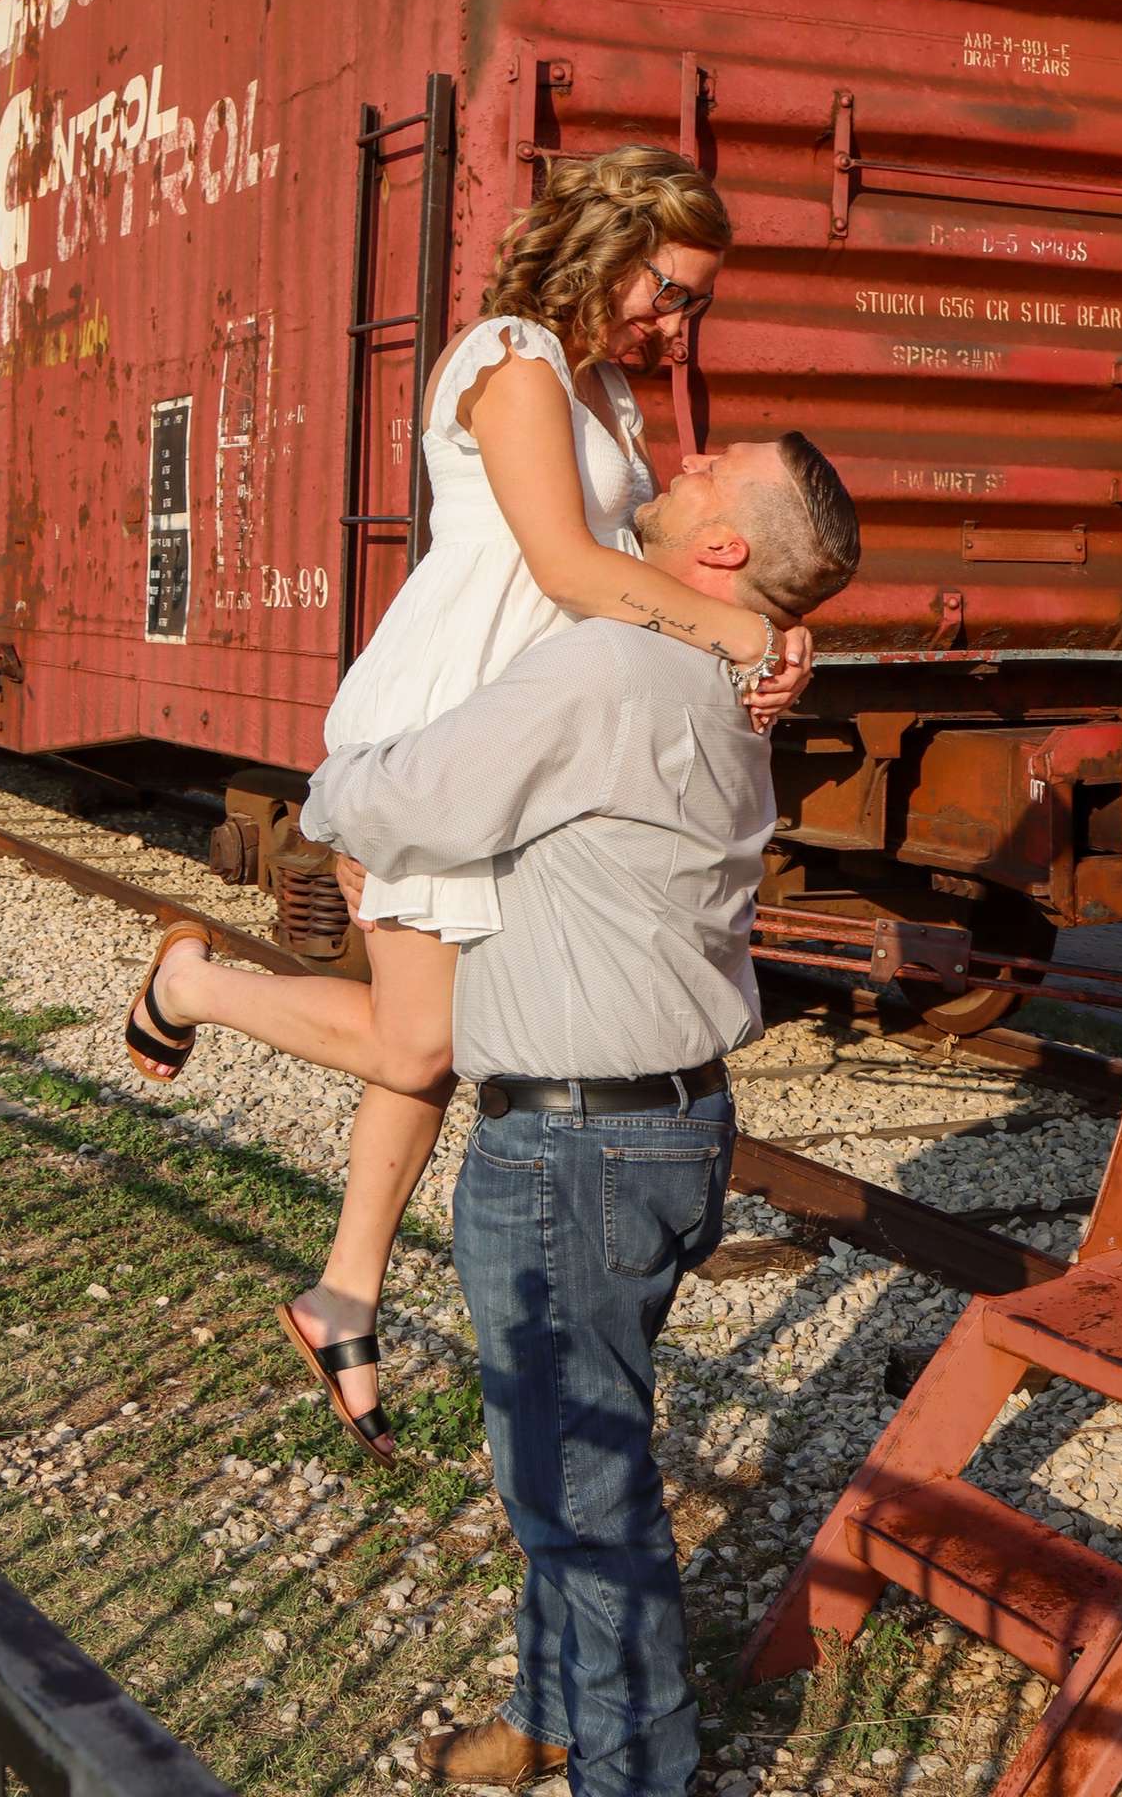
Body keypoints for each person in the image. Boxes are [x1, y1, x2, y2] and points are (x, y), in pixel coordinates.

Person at [123, 147, 812, 1461]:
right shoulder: (511, 360)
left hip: (528, 731)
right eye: (671, 293)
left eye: (694, 308)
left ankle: (345, 1292)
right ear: (609, 243)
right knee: (420, 1045)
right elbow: (562, 561)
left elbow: (644, 567)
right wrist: (734, 629)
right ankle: (194, 984)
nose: (677, 330)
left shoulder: (606, 392)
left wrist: (775, 635)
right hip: (443, 718)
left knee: (443, 1033)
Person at [300, 431, 859, 1797]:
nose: (686, 453)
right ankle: (545, 1715)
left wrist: (335, 789)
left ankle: (633, 1774)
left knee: (582, 1499)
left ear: (719, 551)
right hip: (671, 1133)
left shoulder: (611, 664)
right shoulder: (723, 676)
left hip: (573, 1149)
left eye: (715, 465)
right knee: (570, 1451)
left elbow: (410, 801)